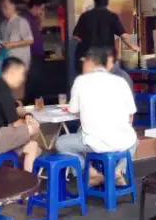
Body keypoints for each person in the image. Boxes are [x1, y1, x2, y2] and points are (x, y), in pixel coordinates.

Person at [56, 47, 137, 187]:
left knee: (60, 143)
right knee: (133, 141)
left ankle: (91, 173)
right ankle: (117, 171)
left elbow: (73, 109)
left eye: (83, 62)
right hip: (122, 139)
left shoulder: (81, 81)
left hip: (95, 142)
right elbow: (131, 113)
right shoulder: (121, 82)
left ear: (89, 62)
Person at [72, 0, 139, 73]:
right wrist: (134, 47)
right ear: (107, 2)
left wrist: (85, 43)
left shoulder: (85, 16)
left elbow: (76, 37)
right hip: (106, 58)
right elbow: (124, 36)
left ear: (95, 1)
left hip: (89, 58)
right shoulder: (111, 16)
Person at [0, 0, 34, 97]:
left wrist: (13, 44)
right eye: (2, 7)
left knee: (17, 95)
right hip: (5, 65)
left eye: (5, 6)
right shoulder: (3, 24)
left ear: (13, 6)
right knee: (4, 95)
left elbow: (30, 40)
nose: (3, 9)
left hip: (19, 65)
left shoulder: (21, 21)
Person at [22, 0, 46, 102]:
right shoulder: (25, 18)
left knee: (38, 84)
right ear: (35, 6)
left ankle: (36, 105)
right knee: (32, 85)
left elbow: (38, 31)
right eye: (41, 8)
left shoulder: (34, 18)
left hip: (37, 54)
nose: (41, 11)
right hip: (31, 55)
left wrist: (41, 20)